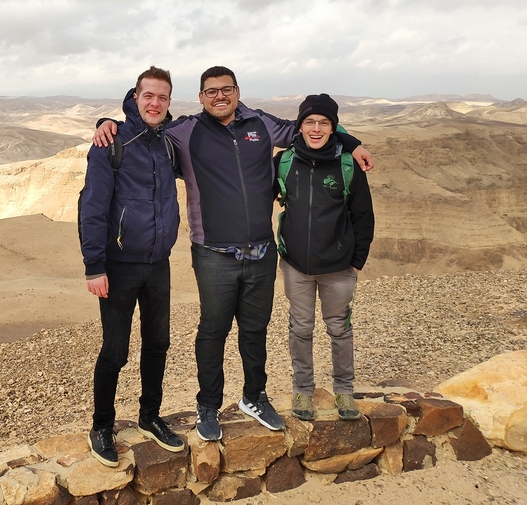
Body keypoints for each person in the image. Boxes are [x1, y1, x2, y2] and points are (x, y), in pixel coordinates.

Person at [94, 66, 373, 440]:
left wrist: (352, 143)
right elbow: (147, 126)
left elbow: (311, 127)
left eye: (226, 89)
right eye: (211, 91)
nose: (219, 96)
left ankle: (254, 397)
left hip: (261, 251)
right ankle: (208, 405)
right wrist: (108, 123)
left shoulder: (261, 124)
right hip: (213, 253)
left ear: (238, 92)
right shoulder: (185, 131)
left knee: (255, 331)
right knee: (213, 331)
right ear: (200, 97)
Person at [79, 66, 185, 467]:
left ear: (169, 101)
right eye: (148, 96)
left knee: (158, 344)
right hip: (120, 265)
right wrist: (94, 266)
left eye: (162, 97)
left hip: (158, 263)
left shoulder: (169, 143)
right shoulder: (111, 143)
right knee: (115, 351)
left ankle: (149, 416)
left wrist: (344, 139)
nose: (155, 103)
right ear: (135, 97)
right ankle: (101, 426)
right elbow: (92, 207)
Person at [273, 94, 375, 421]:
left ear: (333, 127)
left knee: (339, 330)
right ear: (300, 126)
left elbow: (364, 215)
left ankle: (344, 391)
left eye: (324, 123)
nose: (316, 129)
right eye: (309, 122)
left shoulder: (347, 165)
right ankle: (303, 390)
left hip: (339, 267)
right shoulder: (284, 162)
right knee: (300, 329)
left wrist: (356, 261)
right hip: (296, 266)